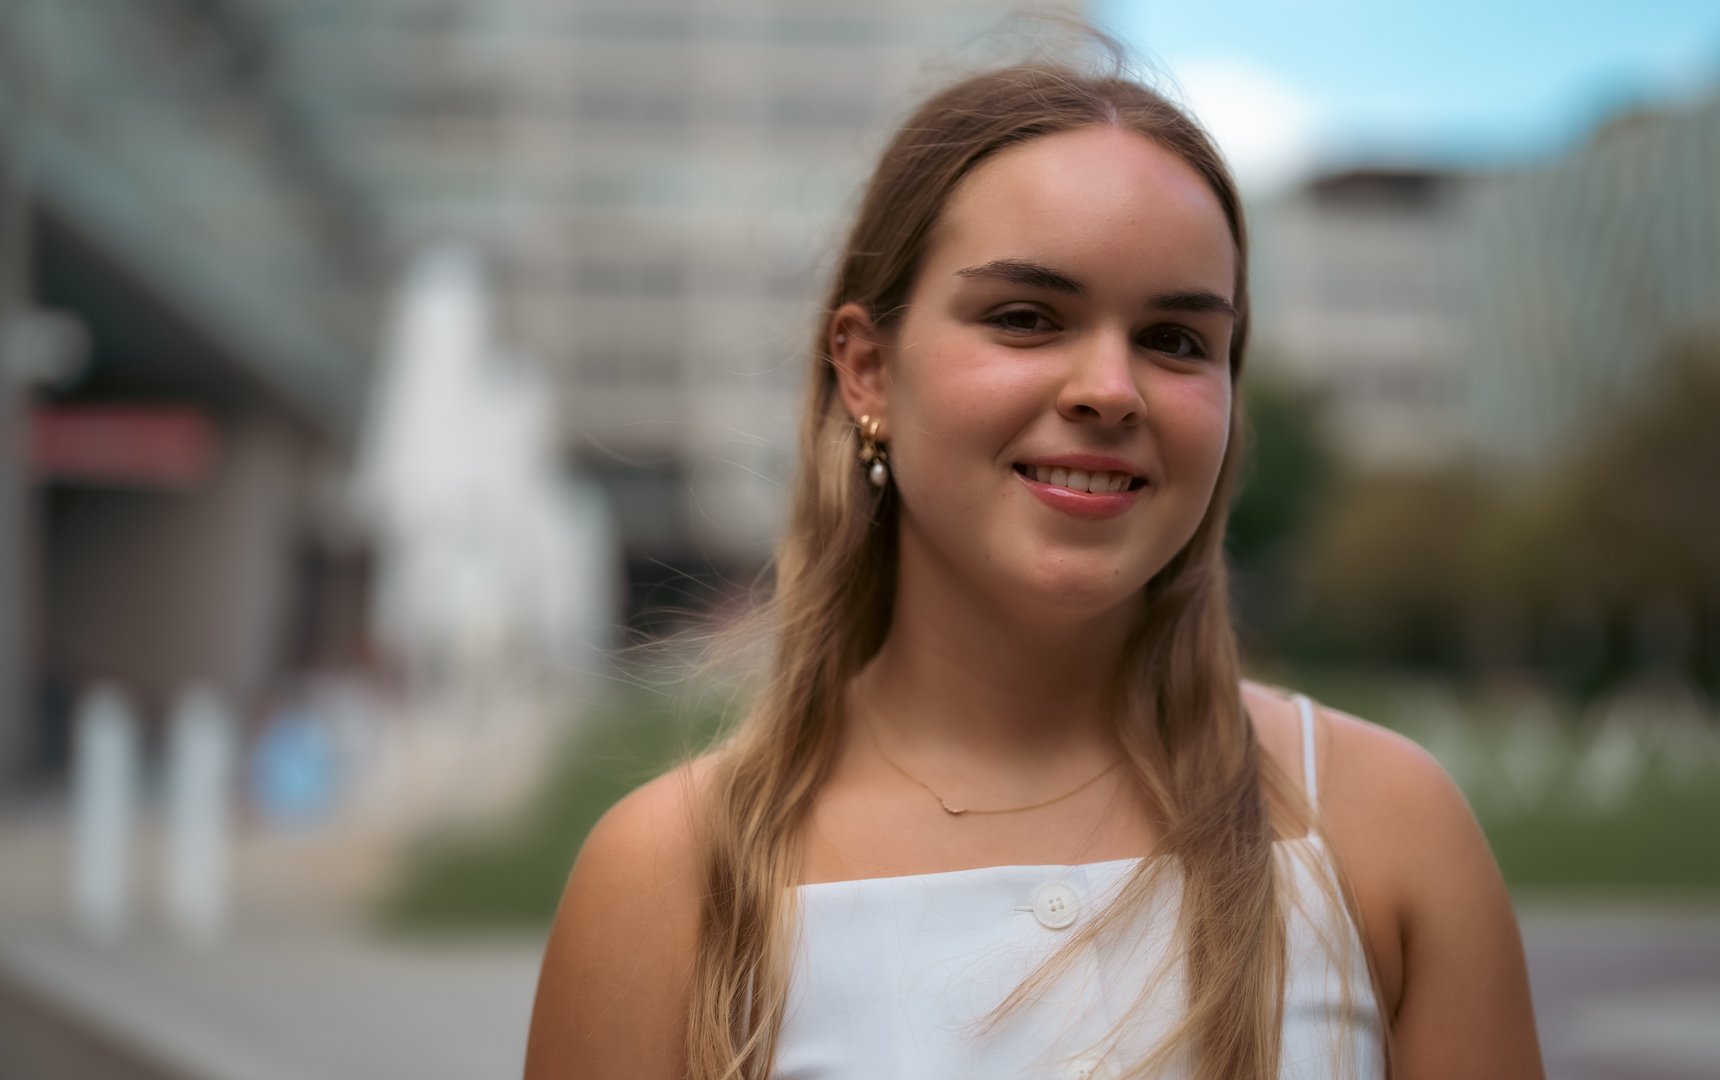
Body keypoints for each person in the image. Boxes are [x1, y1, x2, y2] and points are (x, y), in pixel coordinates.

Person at [525, 41, 1543, 1080]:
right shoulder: (666, 881)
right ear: (867, 370)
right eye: (1026, 318)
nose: (1111, 388)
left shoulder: (1387, 830)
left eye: (1178, 340)